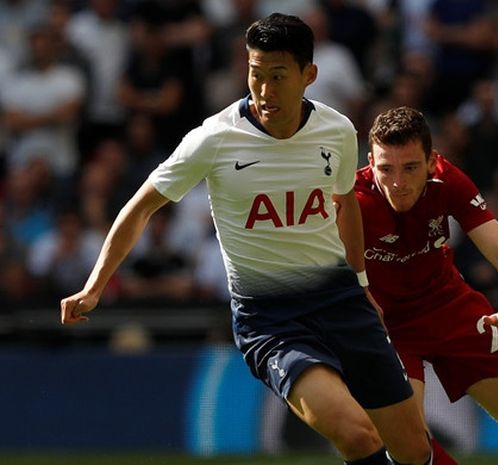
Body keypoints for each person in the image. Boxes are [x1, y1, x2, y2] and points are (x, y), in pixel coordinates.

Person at [59, 13, 432, 465]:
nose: (265, 90)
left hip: (342, 303)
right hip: (272, 321)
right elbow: (140, 208)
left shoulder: (337, 131)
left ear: (308, 75)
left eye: (278, 76)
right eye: (256, 75)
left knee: (414, 451)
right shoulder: (214, 139)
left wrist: (361, 282)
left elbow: (345, 202)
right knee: (356, 434)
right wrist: (94, 286)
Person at [353, 106, 498, 464]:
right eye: (386, 169)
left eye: (410, 167)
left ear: (431, 161)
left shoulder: (449, 181)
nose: (397, 182)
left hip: (449, 308)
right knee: (410, 447)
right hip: (386, 325)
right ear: (371, 162)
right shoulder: (350, 200)